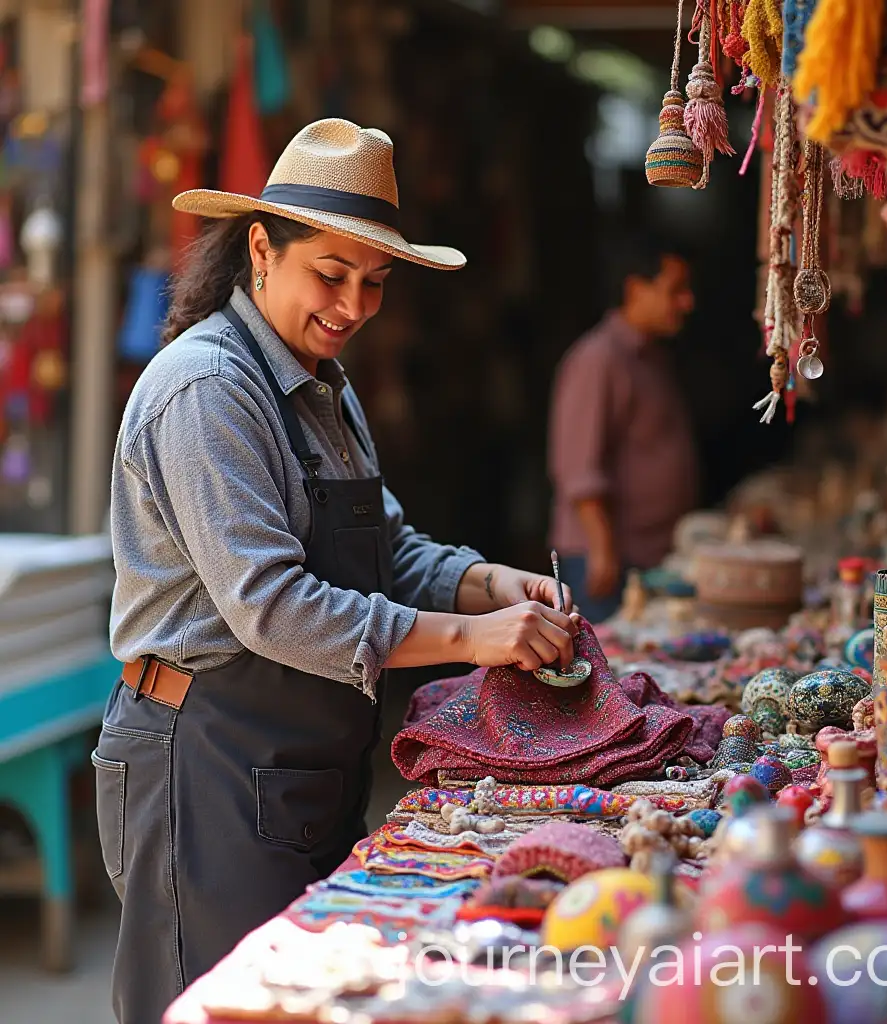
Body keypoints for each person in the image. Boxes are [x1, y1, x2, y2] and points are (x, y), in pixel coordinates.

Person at [95, 119, 579, 1024]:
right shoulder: (207, 390)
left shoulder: (326, 382)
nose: (352, 305)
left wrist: (487, 584)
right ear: (260, 251)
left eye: (374, 284)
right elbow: (273, 606)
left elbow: (387, 550)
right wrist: (474, 641)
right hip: (204, 762)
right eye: (330, 273)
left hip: (297, 762)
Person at [547, 237, 697, 623]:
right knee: (605, 673)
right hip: (604, 558)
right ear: (635, 289)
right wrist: (602, 549)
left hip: (645, 552)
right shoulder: (598, 360)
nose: (686, 302)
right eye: (675, 290)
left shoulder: (650, 357)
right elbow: (578, 468)